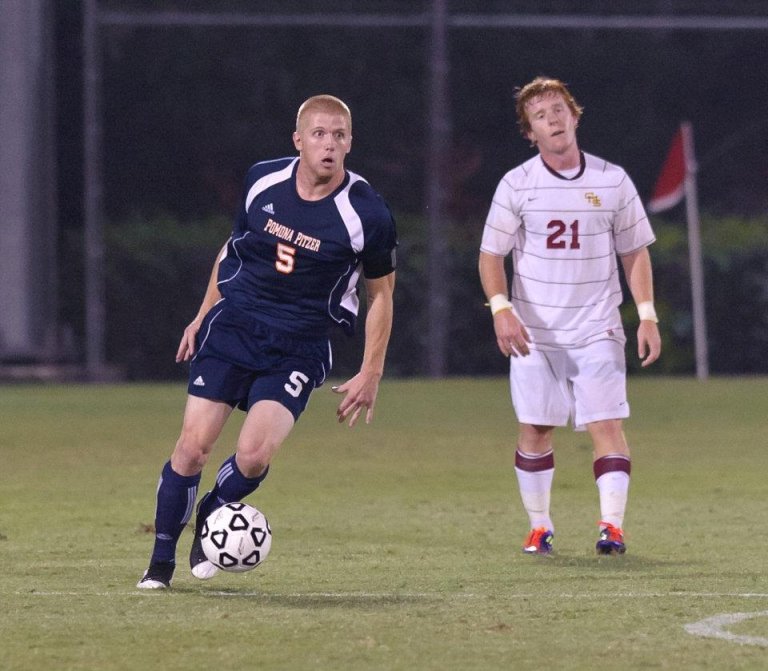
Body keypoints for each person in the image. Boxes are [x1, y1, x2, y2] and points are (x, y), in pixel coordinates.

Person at [137, 94, 397, 588]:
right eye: (319, 134)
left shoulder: (367, 212)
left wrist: (371, 370)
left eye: (339, 135)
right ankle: (160, 564)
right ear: (298, 140)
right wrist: (203, 314)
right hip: (234, 326)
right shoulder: (262, 180)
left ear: (350, 143)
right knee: (192, 448)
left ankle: (213, 513)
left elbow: (381, 294)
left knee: (255, 455)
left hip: (299, 343)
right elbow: (234, 247)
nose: (329, 144)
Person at [478, 76, 661, 556]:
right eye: (540, 116)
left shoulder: (612, 180)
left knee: (606, 423)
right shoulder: (517, 184)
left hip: (597, 325)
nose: (553, 120)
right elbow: (491, 255)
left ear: (574, 115)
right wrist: (502, 309)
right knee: (536, 429)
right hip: (534, 333)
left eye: (558, 110)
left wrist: (646, 315)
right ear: (530, 133)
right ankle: (540, 527)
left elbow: (635, 251)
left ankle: (612, 528)